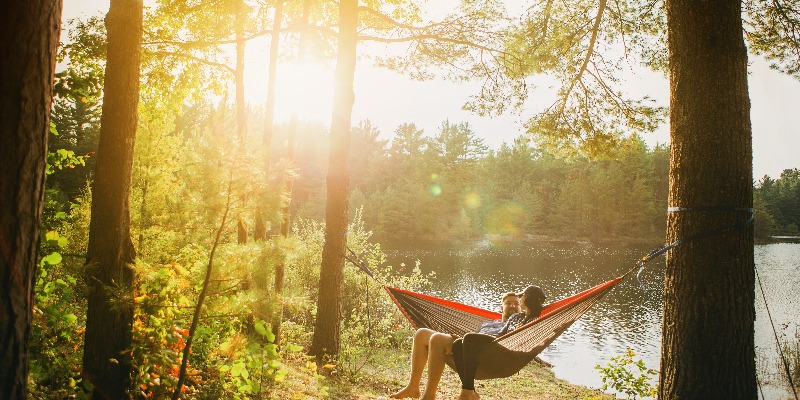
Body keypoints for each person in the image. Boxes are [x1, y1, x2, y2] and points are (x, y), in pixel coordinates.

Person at [388, 290, 532, 400]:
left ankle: (428, 396)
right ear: (501, 308)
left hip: (490, 355)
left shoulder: (518, 323)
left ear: (522, 308)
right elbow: (472, 337)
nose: (513, 305)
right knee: (421, 334)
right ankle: (413, 388)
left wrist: (519, 327)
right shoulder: (489, 322)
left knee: (437, 338)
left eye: (516, 303)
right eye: (508, 303)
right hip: (467, 347)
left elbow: (532, 314)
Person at [453, 285, 546, 400]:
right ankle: (470, 391)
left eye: (522, 297)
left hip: (508, 351)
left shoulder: (536, 320)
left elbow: (531, 338)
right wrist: (485, 338)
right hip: (499, 342)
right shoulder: (516, 317)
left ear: (527, 299)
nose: (520, 300)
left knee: (468, 338)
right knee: (457, 344)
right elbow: (502, 333)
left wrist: (518, 332)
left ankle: (466, 392)